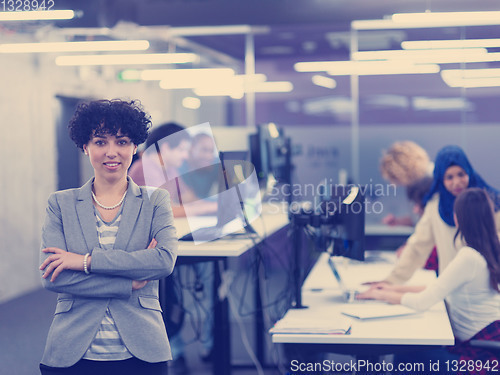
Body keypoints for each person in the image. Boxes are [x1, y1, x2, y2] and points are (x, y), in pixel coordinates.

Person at [38, 99, 178, 375]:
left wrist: (85, 262)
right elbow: (53, 276)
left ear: (135, 147)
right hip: (72, 351)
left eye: (122, 142)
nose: (112, 152)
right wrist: (129, 283)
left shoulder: (155, 201)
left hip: (143, 349)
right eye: (100, 142)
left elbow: (163, 261)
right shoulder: (60, 204)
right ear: (85, 147)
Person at [358, 188, 500, 372]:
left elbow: (422, 302)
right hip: (487, 341)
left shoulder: (469, 256)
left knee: (407, 355)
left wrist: (381, 295)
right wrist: (390, 289)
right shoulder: (488, 249)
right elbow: (440, 287)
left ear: (458, 219)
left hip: (479, 351)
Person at [374, 145, 500, 286]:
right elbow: (418, 246)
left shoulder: (490, 201)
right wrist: (391, 281)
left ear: (469, 172)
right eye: (449, 177)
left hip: (485, 287)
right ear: (441, 179)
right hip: (450, 288)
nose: (456, 182)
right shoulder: (435, 205)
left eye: (461, 174)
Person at [128, 123, 217, 217]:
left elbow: (188, 198)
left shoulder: (170, 169)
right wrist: (207, 208)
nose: (186, 156)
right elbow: (162, 210)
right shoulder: (144, 168)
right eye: (181, 150)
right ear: (165, 148)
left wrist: (214, 206)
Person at [380, 140, 433, 226]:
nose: (395, 184)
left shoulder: (434, 178)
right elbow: (417, 219)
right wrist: (397, 221)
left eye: (395, 177)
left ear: (403, 169)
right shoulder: (412, 185)